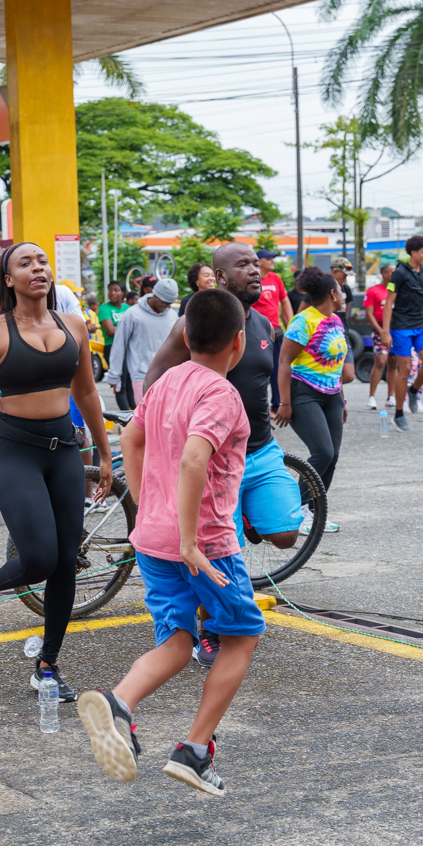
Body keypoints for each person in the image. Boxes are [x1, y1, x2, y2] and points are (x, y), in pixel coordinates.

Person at [79, 287, 259, 796]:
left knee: (178, 641)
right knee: (241, 637)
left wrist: (149, 509)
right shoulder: (221, 395)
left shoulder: (165, 382)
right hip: (204, 543)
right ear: (238, 343)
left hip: (153, 538)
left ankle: (119, 703)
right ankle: (195, 750)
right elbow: (194, 459)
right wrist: (187, 540)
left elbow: (130, 441)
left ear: (184, 334)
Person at [0, 242, 112, 700]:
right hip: (15, 451)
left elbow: (86, 394)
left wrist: (102, 453)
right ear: (8, 279)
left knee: (67, 561)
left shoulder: (74, 325)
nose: (37, 268)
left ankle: (48, 665)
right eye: (24, 263)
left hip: (65, 449)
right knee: (40, 558)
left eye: (41, 261)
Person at [143, 242, 306, 665]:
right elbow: (155, 380)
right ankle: (210, 631)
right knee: (209, 551)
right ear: (218, 276)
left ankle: (248, 516)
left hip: (261, 449)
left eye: (256, 263)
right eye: (243, 264)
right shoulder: (194, 324)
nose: (255, 270)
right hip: (211, 461)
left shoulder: (266, 326)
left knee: (287, 532)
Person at [276, 268, 352, 501]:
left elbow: (335, 365)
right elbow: (284, 361)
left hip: (333, 396)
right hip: (305, 394)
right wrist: (285, 402)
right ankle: (297, 508)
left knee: (333, 455)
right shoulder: (303, 321)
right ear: (333, 293)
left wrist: (342, 399)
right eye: (340, 290)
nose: (343, 294)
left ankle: (314, 512)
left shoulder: (336, 321)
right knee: (322, 453)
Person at [379, 235, 423, 431]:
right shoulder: (398, 274)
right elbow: (389, 303)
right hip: (401, 327)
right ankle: (399, 414)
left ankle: (414, 390)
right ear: (414, 252)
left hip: (422, 325)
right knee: (405, 369)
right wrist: (386, 331)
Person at [105, 277, 178, 407]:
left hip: (168, 377)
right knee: (146, 421)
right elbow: (119, 345)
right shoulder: (133, 314)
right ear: (155, 295)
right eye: (165, 302)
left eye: (170, 303)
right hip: (141, 377)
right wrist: (114, 375)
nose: (167, 306)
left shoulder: (172, 316)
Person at [250, 250, 293, 410]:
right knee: (261, 368)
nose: (272, 261)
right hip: (259, 332)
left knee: (278, 367)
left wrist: (291, 325)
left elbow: (285, 301)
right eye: (268, 259)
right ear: (259, 261)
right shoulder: (253, 280)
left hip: (277, 331)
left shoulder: (276, 278)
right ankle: (259, 405)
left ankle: (277, 405)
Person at [363, 264, 394, 409]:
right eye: (392, 272)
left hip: (395, 330)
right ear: (384, 274)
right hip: (380, 330)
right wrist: (381, 331)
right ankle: (371, 397)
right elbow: (369, 314)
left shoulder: (396, 290)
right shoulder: (373, 291)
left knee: (394, 363)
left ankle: (391, 397)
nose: (394, 274)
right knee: (380, 361)